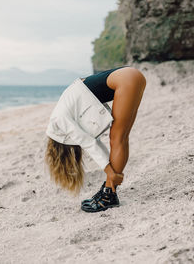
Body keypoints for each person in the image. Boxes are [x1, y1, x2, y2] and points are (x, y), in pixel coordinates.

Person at [45, 65, 146, 213]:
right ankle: (109, 190)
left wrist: (109, 171)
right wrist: (109, 169)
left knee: (117, 139)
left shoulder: (59, 120)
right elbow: (95, 142)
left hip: (127, 80)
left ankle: (108, 195)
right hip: (130, 76)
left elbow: (88, 142)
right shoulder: (65, 107)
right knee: (120, 138)